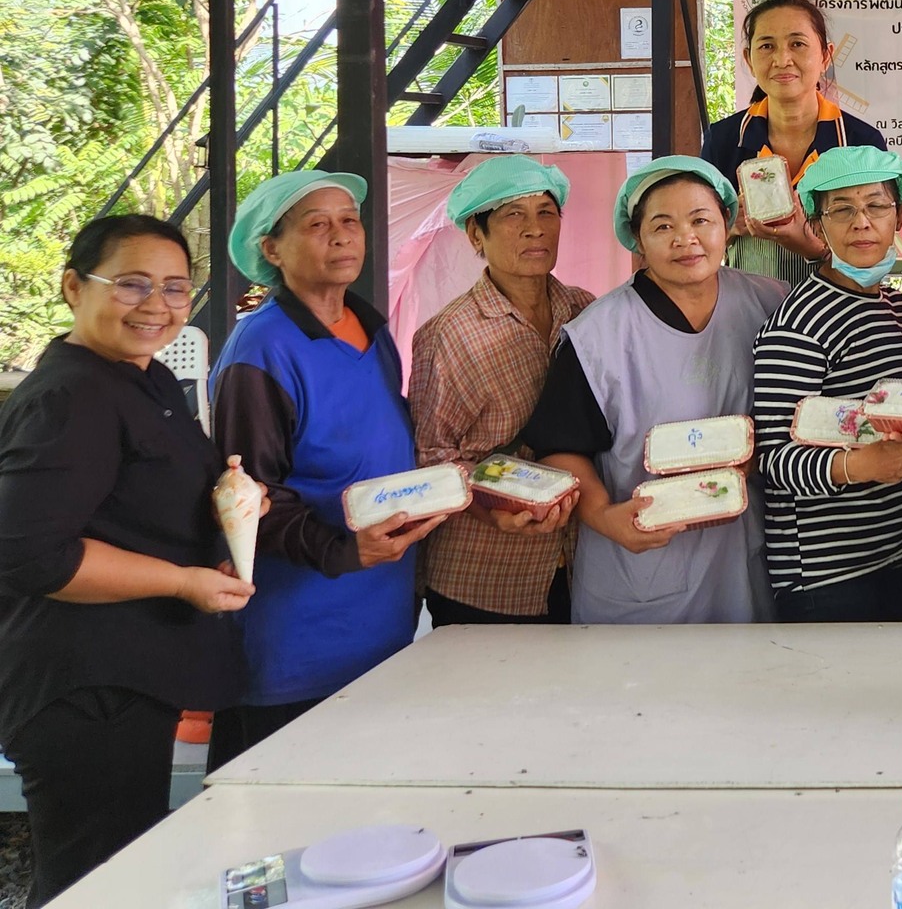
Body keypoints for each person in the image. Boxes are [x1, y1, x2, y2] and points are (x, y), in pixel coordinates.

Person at [0, 217, 253, 906]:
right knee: (94, 884)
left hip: (129, 680)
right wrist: (181, 580)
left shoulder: (138, 378)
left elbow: (135, 503)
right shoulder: (69, 397)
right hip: (83, 690)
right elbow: (34, 555)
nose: (157, 305)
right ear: (73, 287)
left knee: (127, 871)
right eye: (132, 283)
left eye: (176, 288)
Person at [208, 171, 446, 768]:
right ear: (271, 249)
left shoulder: (372, 328)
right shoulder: (262, 350)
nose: (342, 236)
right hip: (297, 636)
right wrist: (344, 550)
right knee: (281, 823)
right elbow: (248, 497)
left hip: (381, 620)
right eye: (317, 225)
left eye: (350, 221)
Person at [522, 156, 785, 625]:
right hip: (642, 562)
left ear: (726, 224)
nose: (686, 239)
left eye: (701, 220)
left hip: (741, 553)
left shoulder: (772, 304)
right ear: (637, 238)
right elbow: (559, 447)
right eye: (663, 226)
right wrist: (605, 516)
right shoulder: (598, 335)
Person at [411, 157, 591, 627]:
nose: (535, 229)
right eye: (513, 215)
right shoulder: (448, 335)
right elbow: (431, 456)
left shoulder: (584, 311)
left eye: (546, 212)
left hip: (575, 563)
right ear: (476, 235)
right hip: (485, 570)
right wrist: (492, 510)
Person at [751, 146, 902, 622]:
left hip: (894, 549)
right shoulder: (798, 324)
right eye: (841, 209)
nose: (861, 222)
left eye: (876, 205)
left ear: (900, 215)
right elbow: (772, 459)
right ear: (817, 225)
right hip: (823, 576)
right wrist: (861, 465)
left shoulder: (893, 309)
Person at [700, 0, 888, 283]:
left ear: (826, 56)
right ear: (749, 60)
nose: (782, 59)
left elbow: (876, 256)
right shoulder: (724, 140)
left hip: (839, 307)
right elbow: (696, 242)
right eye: (767, 46)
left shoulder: (861, 143)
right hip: (748, 313)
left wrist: (808, 245)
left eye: (797, 44)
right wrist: (727, 225)